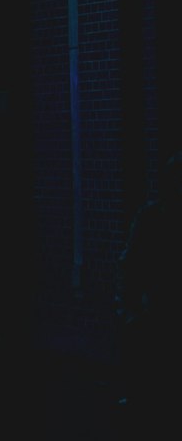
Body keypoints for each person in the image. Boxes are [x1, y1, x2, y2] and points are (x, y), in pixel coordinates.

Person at [117, 150, 182, 416]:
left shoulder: (151, 216)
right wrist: (131, 306)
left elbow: (129, 262)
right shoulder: (152, 217)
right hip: (157, 304)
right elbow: (131, 263)